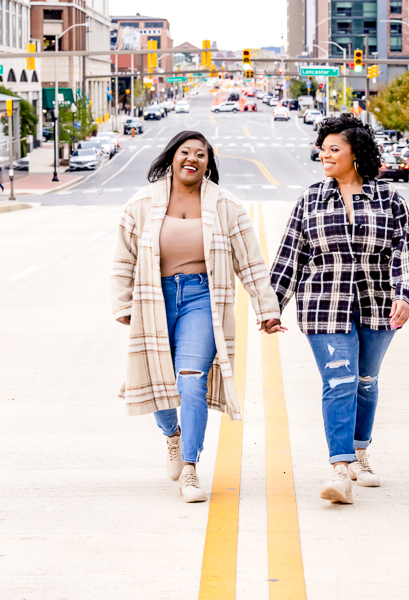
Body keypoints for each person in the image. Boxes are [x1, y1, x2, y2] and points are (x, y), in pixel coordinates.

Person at [111, 130, 283, 503]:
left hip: (202, 299)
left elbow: (251, 263)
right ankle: (172, 435)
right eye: (185, 152)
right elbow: (124, 258)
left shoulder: (225, 206)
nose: (192, 159)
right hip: (154, 298)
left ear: (208, 163)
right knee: (157, 378)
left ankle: (189, 467)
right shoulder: (142, 203)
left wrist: (266, 308)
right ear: (172, 157)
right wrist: (123, 304)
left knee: (190, 380)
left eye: (201, 154)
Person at [269, 114, 409, 505]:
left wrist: (404, 294)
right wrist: (273, 305)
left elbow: (405, 252)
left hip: (378, 305)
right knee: (340, 380)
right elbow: (290, 256)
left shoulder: (389, 200)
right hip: (323, 305)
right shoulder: (311, 199)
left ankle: (360, 452)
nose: (325, 155)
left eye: (334, 149)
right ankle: (340, 469)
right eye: (323, 149)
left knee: (365, 381)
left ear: (356, 153)